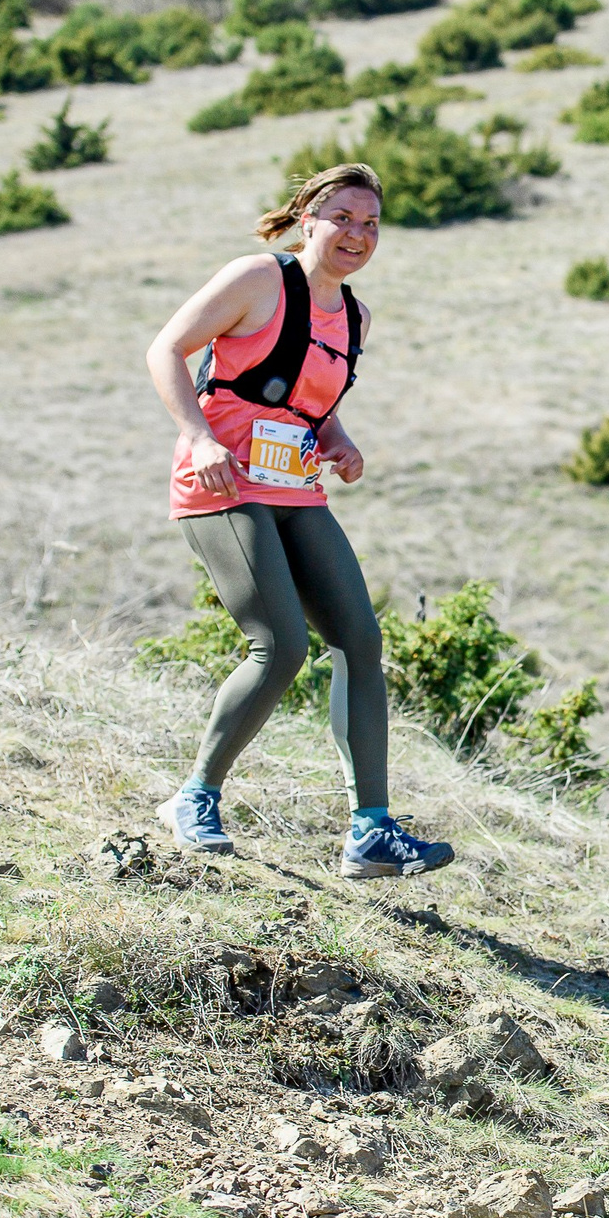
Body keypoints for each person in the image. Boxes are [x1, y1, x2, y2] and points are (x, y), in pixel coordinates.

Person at [143, 162, 452, 880]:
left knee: (359, 638)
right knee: (280, 646)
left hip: (295, 487)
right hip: (222, 481)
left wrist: (340, 440)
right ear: (307, 219)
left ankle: (371, 832)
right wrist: (199, 438)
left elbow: (311, 402)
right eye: (342, 217)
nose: (357, 234)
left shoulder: (356, 317)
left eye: (370, 223)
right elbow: (166, 349)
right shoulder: (258, 278)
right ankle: (194, 798)